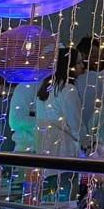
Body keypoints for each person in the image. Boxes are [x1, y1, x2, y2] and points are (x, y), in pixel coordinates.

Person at [35, 50, 82, 199]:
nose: (83, 66)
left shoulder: (45, 88)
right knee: (66, 204)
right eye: (79, 62)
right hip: (64, 156)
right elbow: (76, 126)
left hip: (44, 155)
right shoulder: (68, 90)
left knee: (47, 203)